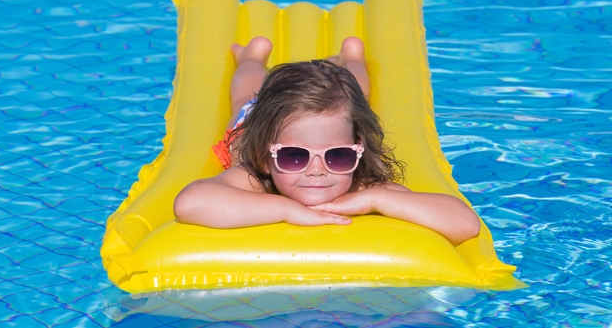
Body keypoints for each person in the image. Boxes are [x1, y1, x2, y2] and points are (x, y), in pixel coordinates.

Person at [174, 36, 480, 245]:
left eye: (338, 156)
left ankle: (352, 58)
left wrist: (376, 199)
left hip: (335, 115)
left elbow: (465, 224)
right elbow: (190, 202)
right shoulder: (255, 174)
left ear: (358, 150)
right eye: (293, 156)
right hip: (251, 124)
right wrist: (286, 209)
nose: (317, 171)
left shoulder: (361, 183)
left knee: (355, 95)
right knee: (245, 96)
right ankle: (251, 56)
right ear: (268, 158)